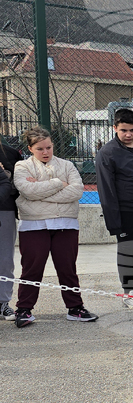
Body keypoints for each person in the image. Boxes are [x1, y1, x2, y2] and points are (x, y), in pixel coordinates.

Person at [12, 127, 95, 328]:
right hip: (33, 224)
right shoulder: (22, 166)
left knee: (67, 267)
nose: (46, 152)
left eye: (49, 147)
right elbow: (27, 191)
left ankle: (75, 308)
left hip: (66, 224)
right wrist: (59, 183)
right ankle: (23, 309)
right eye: (40, 148)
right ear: (31, 148)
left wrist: (41, 191)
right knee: (32, 268)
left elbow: (76, 191)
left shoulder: (67, 165)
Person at [95, 108, 133, 309]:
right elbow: (106, 188)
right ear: (115, 128)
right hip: (125, 213)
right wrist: (114, 221)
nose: (128, 134)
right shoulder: (107, 153)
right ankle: (129, 292)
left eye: (132, 130)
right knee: (126, 253)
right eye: (123, 130)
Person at [0, 139, 22, 321]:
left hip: (4, 210)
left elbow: (17, 186)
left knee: (5, 259)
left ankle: (3, 303)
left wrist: (6, 175)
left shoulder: (11, 154)